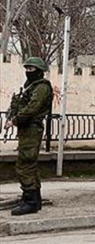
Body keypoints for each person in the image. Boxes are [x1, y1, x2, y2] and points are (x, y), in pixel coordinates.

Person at [2, 57, 53, 216]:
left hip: (32, 128)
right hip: (26, 128)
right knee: (28, 164)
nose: (28, 72)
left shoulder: (42, 87)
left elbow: (33, 107)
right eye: (27, 68)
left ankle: (31, 202)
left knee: (25, 165)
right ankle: (32, 199)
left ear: (39, 71)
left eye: (31, 69)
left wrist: (15, 121)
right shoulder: (31, 86)